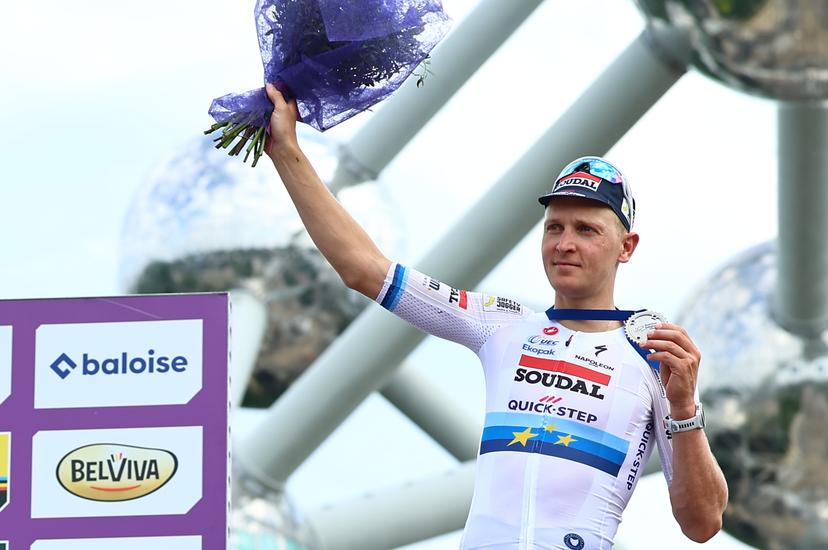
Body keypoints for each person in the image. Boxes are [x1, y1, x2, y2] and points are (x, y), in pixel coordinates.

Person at [262, 83, 728, 549]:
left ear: (627, 247)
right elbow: (365, 270)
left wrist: (684, 410)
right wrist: (286, 152)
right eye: (554, 228)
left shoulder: (652, 353)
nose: (565, 244)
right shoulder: (504, 324)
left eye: (586, 230)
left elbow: (703, 522)